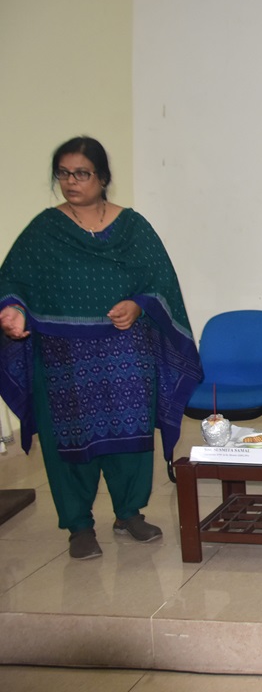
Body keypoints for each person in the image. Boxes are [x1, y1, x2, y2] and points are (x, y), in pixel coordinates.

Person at [0, 136, 202, 560]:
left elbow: (160, 283)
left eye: (81, 173)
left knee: (131, 435)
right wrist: (13, 309)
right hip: (64, 357)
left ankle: (129, 513)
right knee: (70, 440)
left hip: (126, 352)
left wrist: (138, 305)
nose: (71, 182)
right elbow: (13, 280)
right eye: (63, 173)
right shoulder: (45, 229)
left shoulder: (132, 226)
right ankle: (78, 525)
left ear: (103, 177)